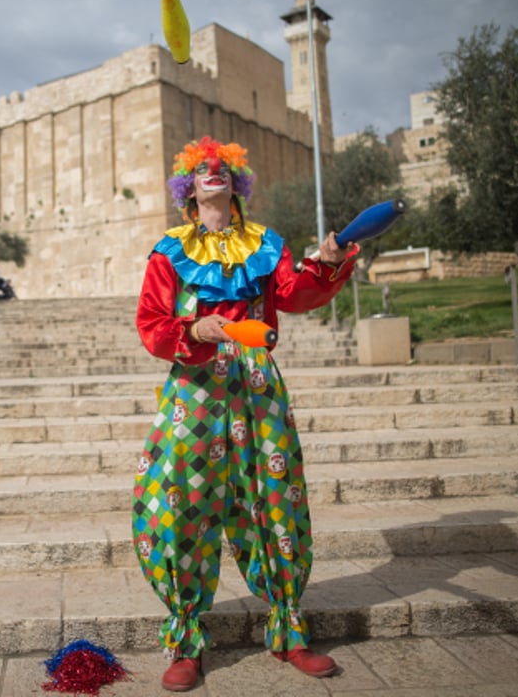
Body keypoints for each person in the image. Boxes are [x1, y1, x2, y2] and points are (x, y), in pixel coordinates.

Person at [131, 136, 358, 692]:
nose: (214, 169)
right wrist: (194, 330)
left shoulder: (265, 242)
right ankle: (186, 641)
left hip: (257, 385)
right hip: (195, 388)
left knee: (274, 499)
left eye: (223, 165)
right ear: (188, 186)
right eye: (202, 167)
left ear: (235, 182)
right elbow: (151, 324)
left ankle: (288, 633)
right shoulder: (168, 252)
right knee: (180, 499)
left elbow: (295, 294)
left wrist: (324, 266)